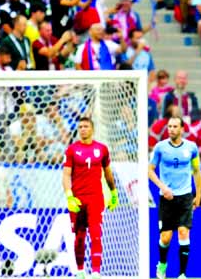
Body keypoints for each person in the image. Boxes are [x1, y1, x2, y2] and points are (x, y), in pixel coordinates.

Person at [62, 117, 119, 279]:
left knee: (95, 233)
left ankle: (95, 272)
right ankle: (80, 271)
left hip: (95, 198)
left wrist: (114, 193)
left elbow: (108, 173)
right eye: (80, 127)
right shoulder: (72, 150)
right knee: (79, 236)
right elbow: (66, 175)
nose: (82, 129)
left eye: (86, 126)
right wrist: (69, 196)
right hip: (78, 199)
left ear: (92, 129)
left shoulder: (102, 149)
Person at [149, 116, 201, 279]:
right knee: (165, 238)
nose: (171, 129)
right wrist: (163, 187)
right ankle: (162, 265)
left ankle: (182, 274)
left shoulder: (191, 148)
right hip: (167, 199)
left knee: (183, 232)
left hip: (185, 197)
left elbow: (196, 171)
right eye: (169, 126)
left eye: (174, 126)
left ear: (182, 129)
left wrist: (198, 194)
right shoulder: (160, 148)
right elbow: (150, 170)